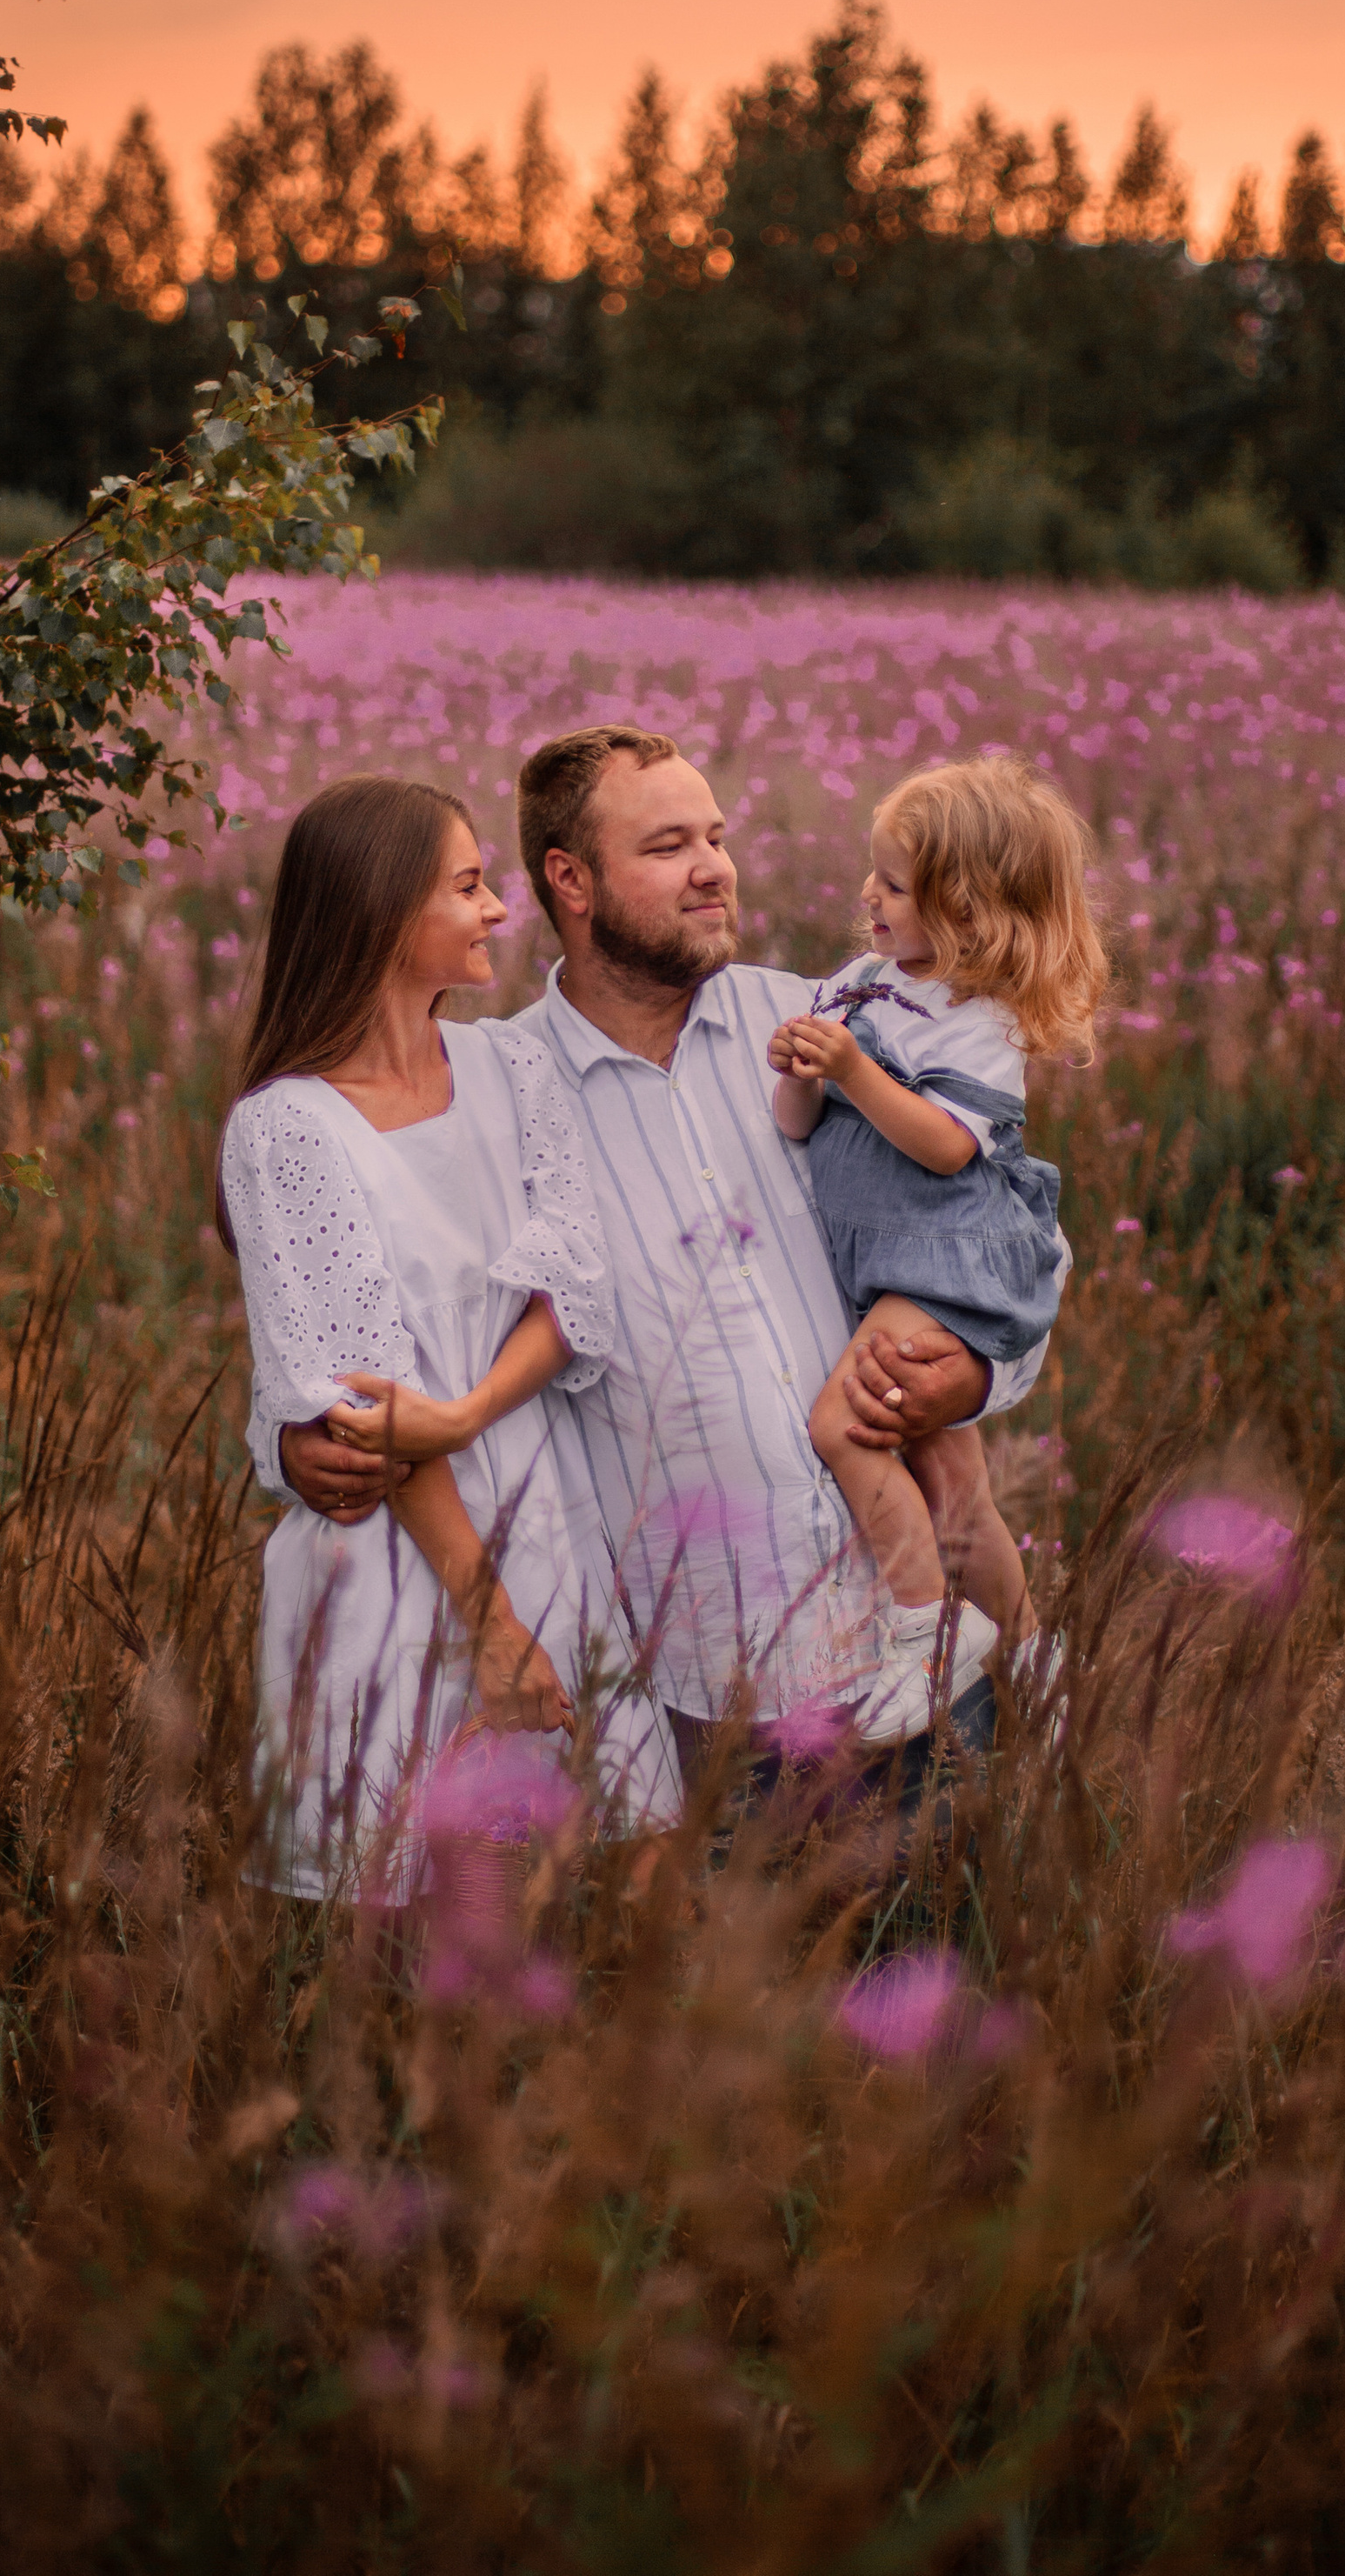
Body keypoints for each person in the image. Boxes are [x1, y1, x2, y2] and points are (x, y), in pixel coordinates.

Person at [279, 729, 1065, 1790]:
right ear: (572, 880)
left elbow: (1010, 1237)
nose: (714, 868)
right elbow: (414, 1318)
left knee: (951, 1948)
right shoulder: (500, 1090)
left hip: (915, 1649)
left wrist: (975, 1375)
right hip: (706, 1691)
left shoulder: (829, 1025)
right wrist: (292, 1444)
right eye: (667, 846)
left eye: (717, 836)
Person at [219, 773, 676, 1902]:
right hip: (394, 1563)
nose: (496, 911)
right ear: (383, 914)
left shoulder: (514, 1069)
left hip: (543, 1521)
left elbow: (572, 1292)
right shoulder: (286, 1129)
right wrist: (493, 1628)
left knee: (600, 1889)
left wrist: (469, 1410)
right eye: (469, 887)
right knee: (404, 1918)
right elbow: (367, 1414)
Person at [769, 759, 1101, 1718]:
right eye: (871, 873)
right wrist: (799, 1069)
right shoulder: (860, 985)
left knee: (843, 1426)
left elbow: (949, 1148)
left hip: (949, 1256)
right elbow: (796, 1125)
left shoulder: (979, 1019)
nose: (867, 895)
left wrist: (853, 1072)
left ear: (966, 910)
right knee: (950, 1474)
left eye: (895, 885)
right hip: (890, 1261)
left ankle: (925, 1636)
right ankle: (1033, 1650)